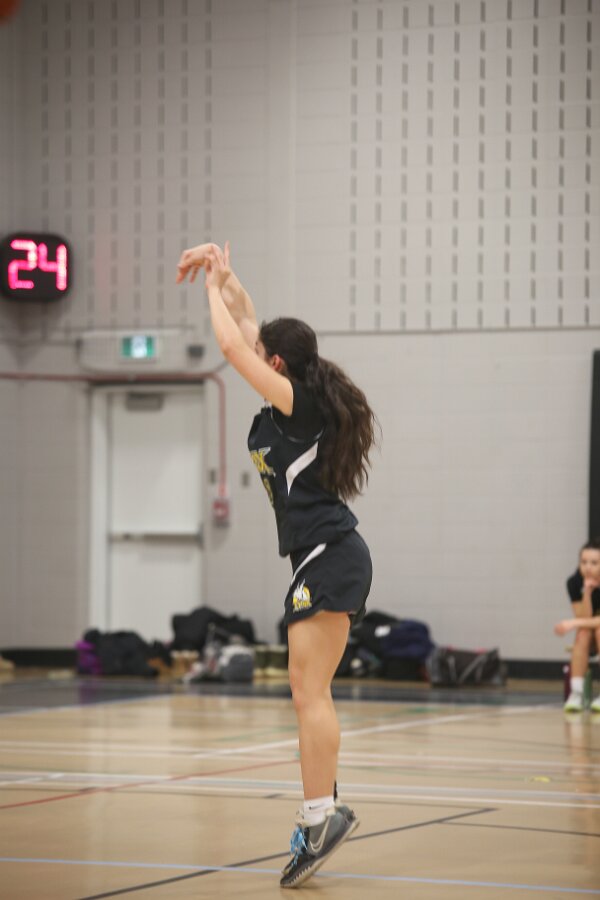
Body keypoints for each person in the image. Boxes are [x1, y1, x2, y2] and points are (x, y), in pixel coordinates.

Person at [176, 242, 376, 888]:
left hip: (330, 554)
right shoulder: (293, 396)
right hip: (323, 555)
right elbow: (246, 325)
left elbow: (231, 345)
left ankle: (320, 816)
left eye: (263, 351)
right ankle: (323, 809)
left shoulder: (297, 403)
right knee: (307, 691)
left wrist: (208, 295)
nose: (252, 348)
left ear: (278, 364)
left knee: (307, 691)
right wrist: (223, 273)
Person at [555, 538, 600, 712]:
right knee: (582, 633)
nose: (588, 567)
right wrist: (587, 593)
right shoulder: (574, 582)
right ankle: (577, 693)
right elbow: (583, 618)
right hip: (591, 634)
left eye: (594, 563)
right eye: (584, 562)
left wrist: (572, 623)